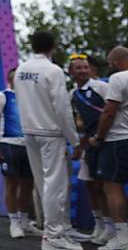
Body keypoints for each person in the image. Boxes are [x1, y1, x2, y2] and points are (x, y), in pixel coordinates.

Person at [14, 30, 81, 250]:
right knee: (56, 185)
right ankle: (54, 236)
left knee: (44, 185)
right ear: (53, 45)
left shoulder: (21, 69)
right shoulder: (53, 70)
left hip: (29, 131)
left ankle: (57, 232)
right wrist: (75, 139)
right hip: (50, 132)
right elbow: (62, 108)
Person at [0, 69, 44, 239]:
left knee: (28, 185)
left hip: (29, 146)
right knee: (12, 185)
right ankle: (14, 222)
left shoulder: (31, 99)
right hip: (9, 144)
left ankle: (25, 221)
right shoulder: (2, 96)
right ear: (11, 80)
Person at [67, 54, 115, 245]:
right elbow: (80, 120)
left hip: (105, 142)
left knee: (102, 185)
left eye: (85, 67)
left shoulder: (101, 87)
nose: (83, 71)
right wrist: (80, 144)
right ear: (71, 72)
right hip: (88, 144)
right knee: (90, 185)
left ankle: (111, 228)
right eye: (78, 68)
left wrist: (100, 137)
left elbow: (113, 112)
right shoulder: (72, 94)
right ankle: (99, 226)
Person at [92, 46, 128, 250]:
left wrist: (98, 137)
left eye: (109, 62)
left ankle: (123, 239)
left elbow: (108, 113)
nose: (108, 65)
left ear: (115, 61)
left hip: (118, 140)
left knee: (112, 187)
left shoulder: (118, 78)